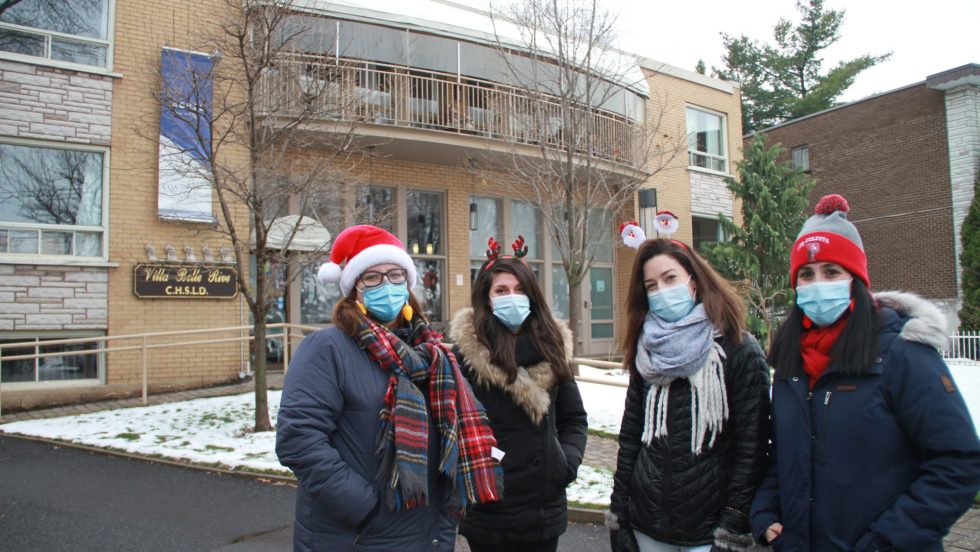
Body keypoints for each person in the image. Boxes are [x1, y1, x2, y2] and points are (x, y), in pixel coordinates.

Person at [750, 194, 980, 551]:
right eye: (806, 274)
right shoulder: (791, 366)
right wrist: (764, 513)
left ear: (855, 279)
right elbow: (782, 455)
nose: (817, 283)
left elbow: (957, 463)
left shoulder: (901, 354)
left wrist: (885, 541)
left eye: (831, 272)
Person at [276, 225, 502, 552]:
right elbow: (298, 439)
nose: (387, 285)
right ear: (354, 288)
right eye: (372, 277)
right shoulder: (326, 349)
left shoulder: (434, 356)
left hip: (427, 534)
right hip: (356, 536)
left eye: (396, 275)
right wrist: (366, 509)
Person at [607, 222, 771, 552]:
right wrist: (619, 513)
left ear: (694, 282)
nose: (662, 291)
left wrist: (733, 523)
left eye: (670, 278)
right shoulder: (645, 350)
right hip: (647, 523)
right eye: (651, 285)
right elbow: (631, 436)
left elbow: (751, 447)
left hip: (707, 530)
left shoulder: (738, 349)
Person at [448, 236, 588, 552]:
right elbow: (450, 425)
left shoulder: (553, 350)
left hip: (542, 506)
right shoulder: (465, 357)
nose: (512, 297)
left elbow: (574, 418)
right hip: (487, 505)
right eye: (501, 290)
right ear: (486, 298)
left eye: (520, 289)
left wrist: (565, 464)